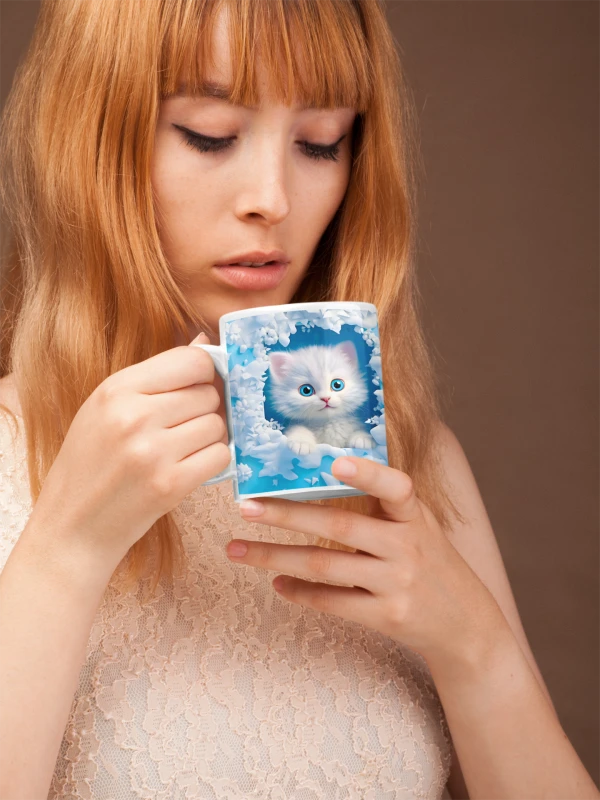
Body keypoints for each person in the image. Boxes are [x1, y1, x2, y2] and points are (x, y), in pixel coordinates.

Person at [0, 0, 597, 798]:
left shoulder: (414, 464)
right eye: (209, 133)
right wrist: (63, 557)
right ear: (89, 140)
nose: (272, 199)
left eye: (322, 142)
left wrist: (478, 650)